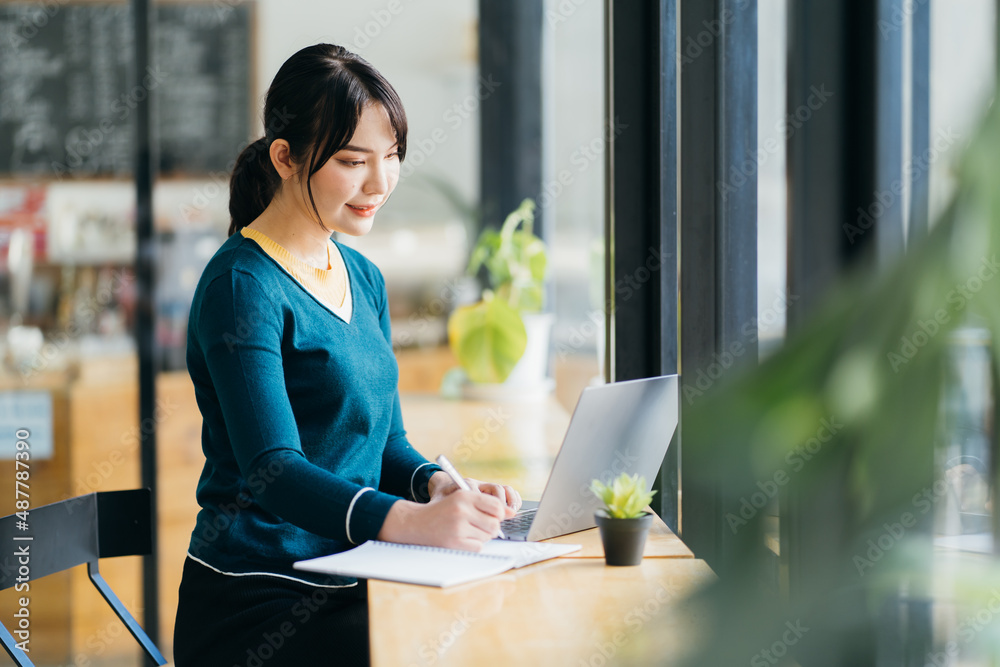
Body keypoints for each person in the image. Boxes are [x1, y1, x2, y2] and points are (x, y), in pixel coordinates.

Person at [172, 43, 521, 666]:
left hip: (353, 575)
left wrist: (439, 488)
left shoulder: (362, 276)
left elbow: (384, 444)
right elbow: (272, 469)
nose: (380, 183)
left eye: (391, 158)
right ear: (284, 157)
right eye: (353, 161)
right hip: (259, 600)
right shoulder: (241, 286)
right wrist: (413, 525)